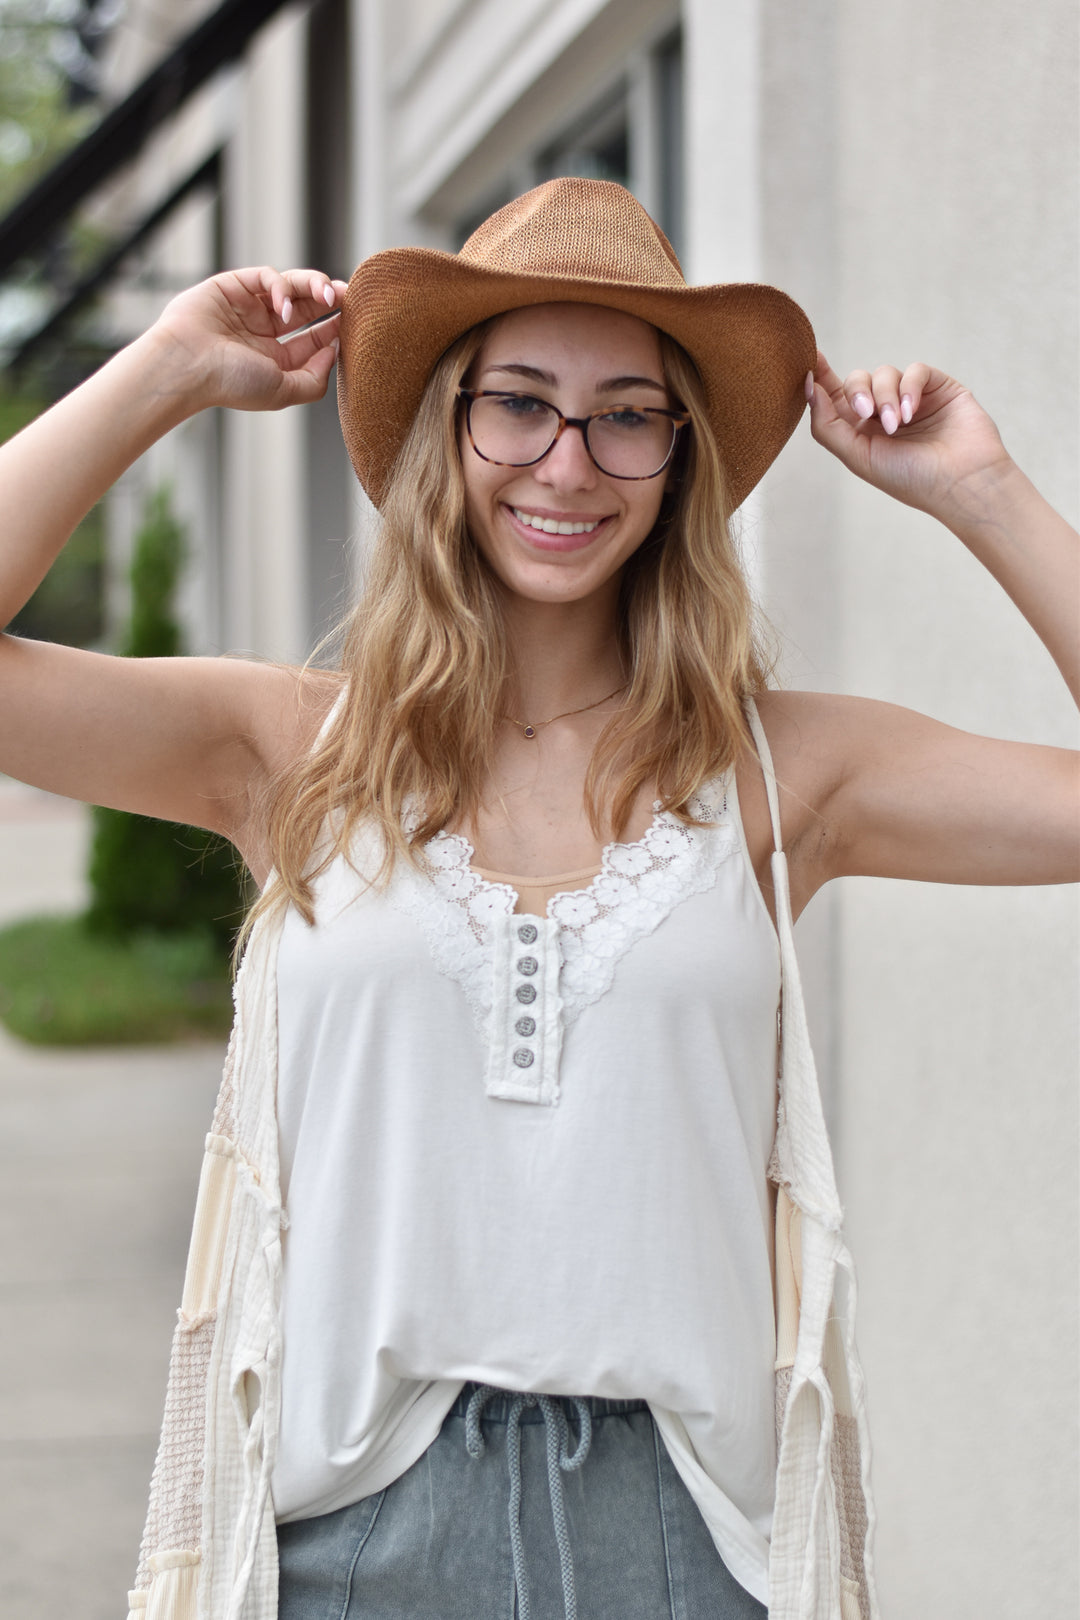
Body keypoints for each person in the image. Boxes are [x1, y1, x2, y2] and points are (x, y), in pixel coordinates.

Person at [0, 178, 1075, 1620]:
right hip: (351, 1541)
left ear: (679, 457)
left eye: (628, 412)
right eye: (519, 401)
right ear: (449, 428)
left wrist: (977, 489)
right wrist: (170, 370)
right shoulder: (291, 747)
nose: (569, 462)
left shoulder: (785, 769)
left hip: (684, 1547)